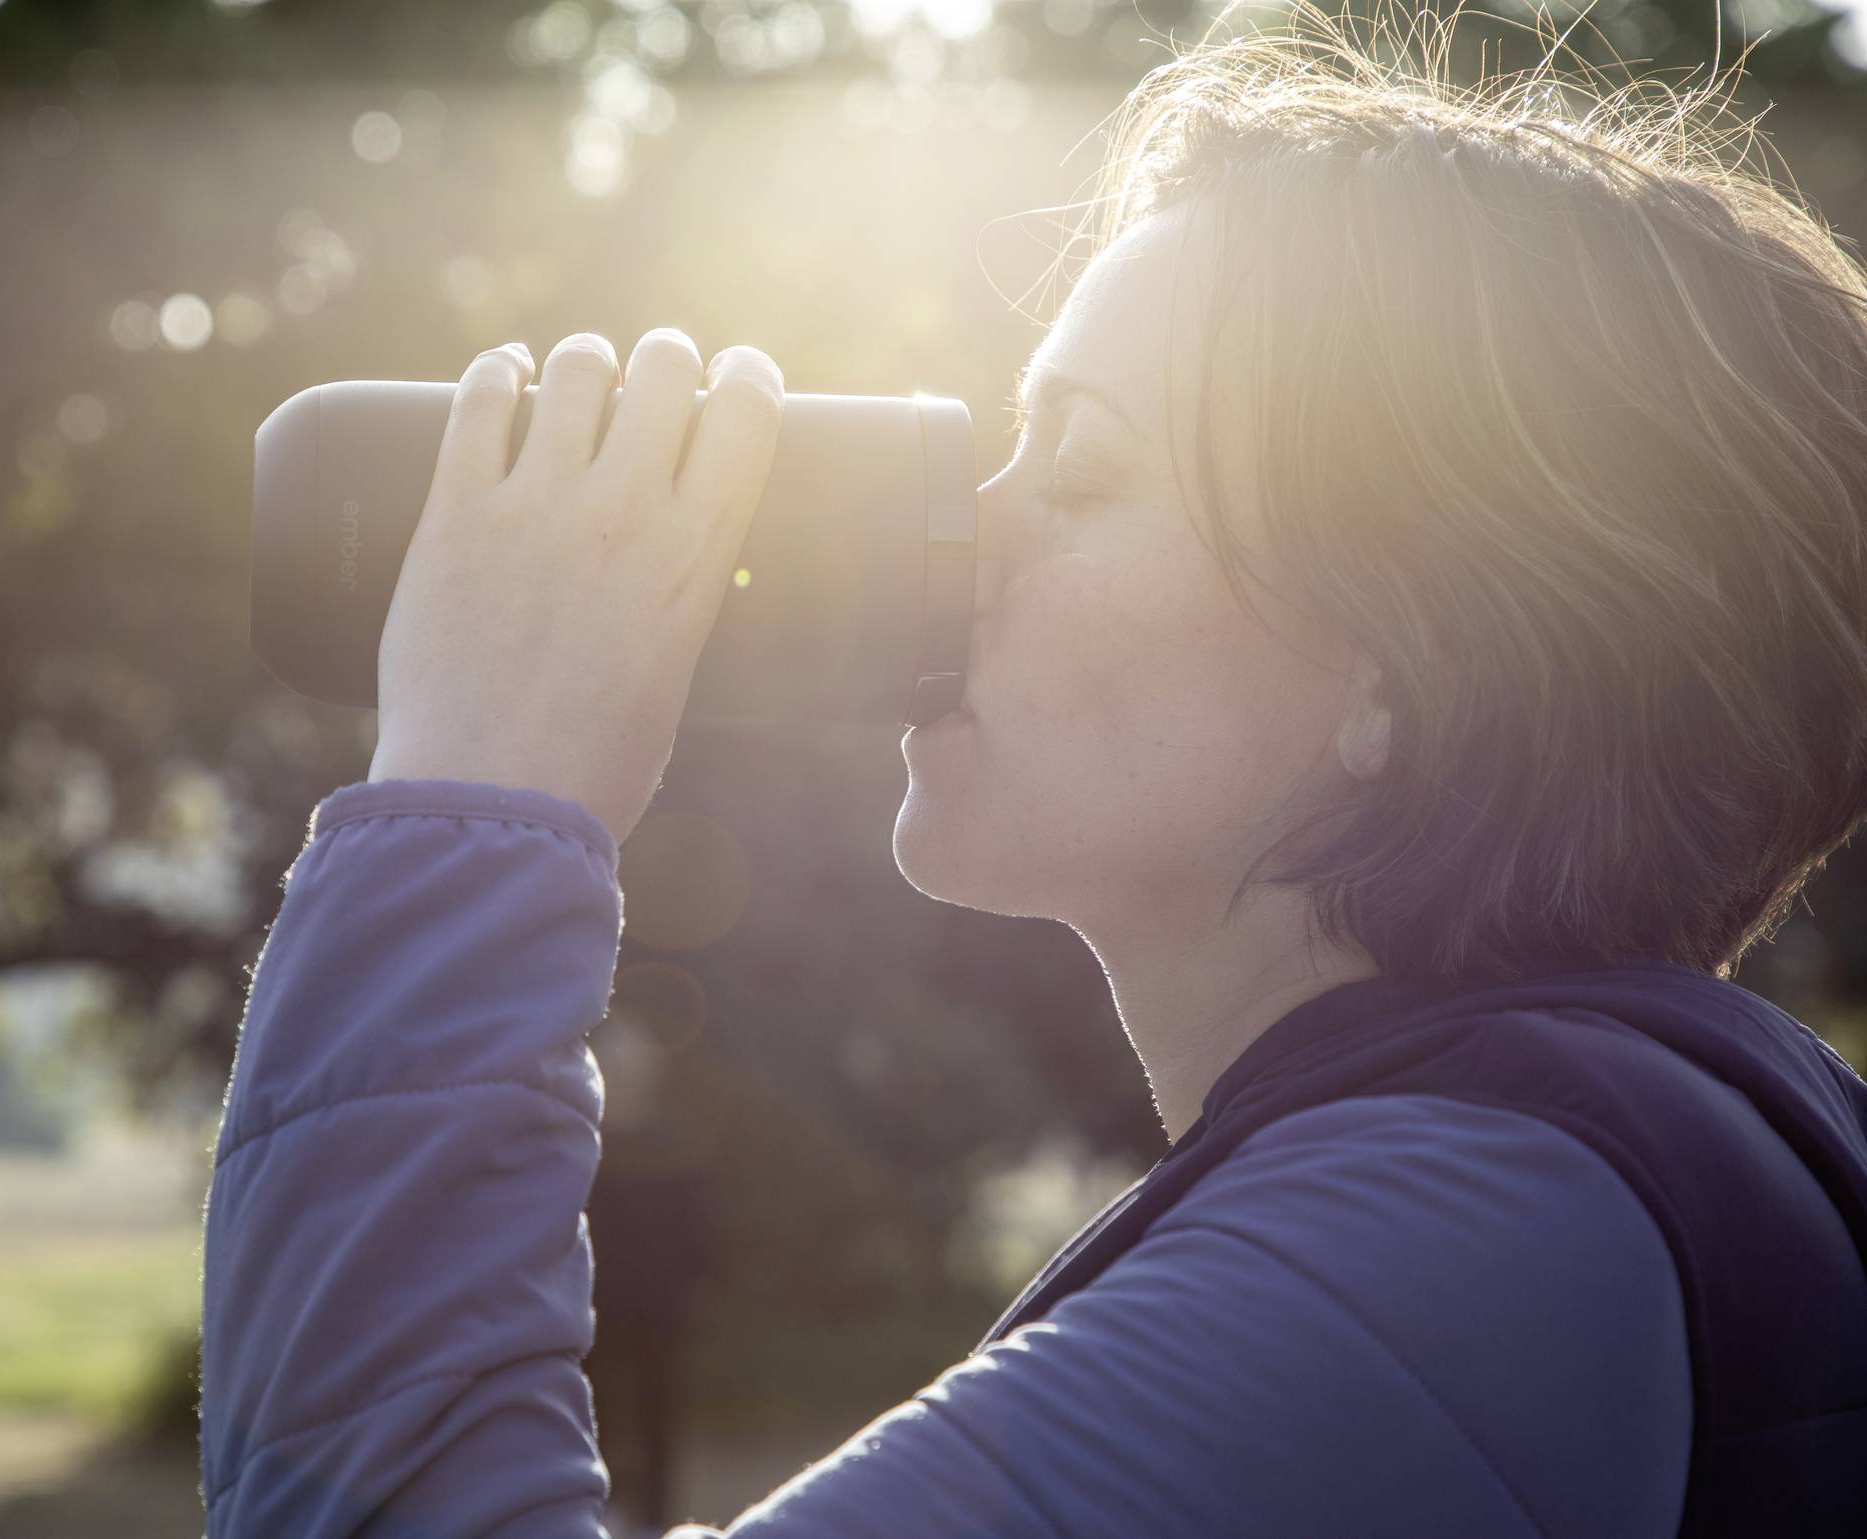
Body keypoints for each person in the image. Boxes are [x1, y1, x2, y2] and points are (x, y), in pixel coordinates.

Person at [197, 17, 1867, 1539]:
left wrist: (474, 790)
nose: (966, 539)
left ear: (1404, 665)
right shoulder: (1570, 1170)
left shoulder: (1463, 1246)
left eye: (1078, 472)